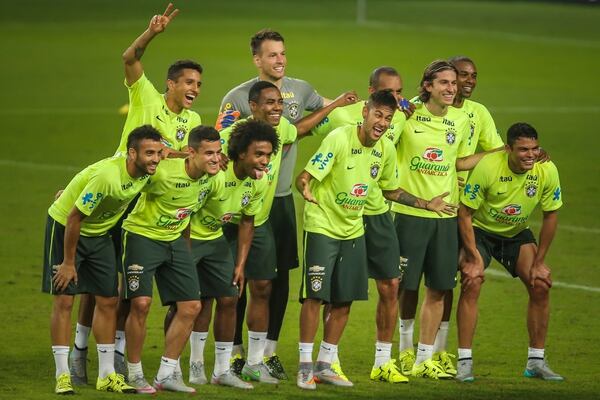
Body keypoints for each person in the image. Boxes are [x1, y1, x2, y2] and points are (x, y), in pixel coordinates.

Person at [69, 3, 205, 383]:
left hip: (147, 208)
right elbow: (129, 57)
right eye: (188, 82)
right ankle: (79, 349)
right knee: (100, 284)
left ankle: (114, 355)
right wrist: (151, 34)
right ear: (171, 84)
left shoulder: (193, 121)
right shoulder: (146, 96)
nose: (194, 89)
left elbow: (183, 160)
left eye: (198, 84)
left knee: (126, 290)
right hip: (117, 196)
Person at [294, 90, 457, 390]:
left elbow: (390, 189)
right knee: (315, 296)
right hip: (322, 226)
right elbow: (305, 175)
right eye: (378, 115)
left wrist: (425, 203)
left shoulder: (385, 149)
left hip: (353, 229)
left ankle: (325, 365)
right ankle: (305, 366)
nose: (382, 122)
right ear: (365, 112)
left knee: (344, 299)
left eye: (388, 118)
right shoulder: (340, 138)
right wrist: (304, 186)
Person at [219, 81, 356, 383]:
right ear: (253, 106)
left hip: (258, 217)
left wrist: (334, 105)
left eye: (280, 102)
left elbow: (301, 128)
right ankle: (223, 361)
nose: (277, 108)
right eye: (270, 102)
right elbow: (206, 157)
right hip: (225, 221)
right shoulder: (231, 135)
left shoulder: (281, 129)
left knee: (264, 286)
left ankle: (255, 361)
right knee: (224, 294)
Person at [215, 29, 330, 378]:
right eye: (272, 55)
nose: (280, 60)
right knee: (236, 278)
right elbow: (221, 145)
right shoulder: (236, 98)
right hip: (242, 202)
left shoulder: (301, 89)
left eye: (283, 53)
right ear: (257, 59)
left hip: (279, 202)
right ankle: (235, 353)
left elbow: (324, 115)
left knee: (275, 279)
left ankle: (268, 352)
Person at [43, 126, 163, 394]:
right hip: (66, 227)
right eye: (149, 153)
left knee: (108, 299)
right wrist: (69, 263)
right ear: (132, 153)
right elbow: (74, 218)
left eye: (158, 153)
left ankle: (107, 375)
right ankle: (63, 374)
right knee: (64, 299)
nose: (156, 159)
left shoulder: (147, 171)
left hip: (99, 233)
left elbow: (174, 158)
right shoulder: (108, 177)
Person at [311, 66, 411, 383]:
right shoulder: (344, 117)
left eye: (400, 92)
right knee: (338, 291)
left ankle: (382, 361)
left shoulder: (401, 115)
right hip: (343, 214)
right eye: (389, 92)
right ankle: (330, 360)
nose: (396, 98)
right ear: (371, 94)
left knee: (391, 284)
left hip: (378, 212)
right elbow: (306, 128)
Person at [456, 122, 563, 382]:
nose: (530, 155)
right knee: (472, 280)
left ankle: (536, 362)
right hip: (481, 230)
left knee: (541, 284)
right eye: (523, 149)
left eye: (534, 148)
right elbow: (465, 213)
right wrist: (472, 257)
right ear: (508, 149)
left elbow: (551, 215)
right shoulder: (488, 167)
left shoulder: (546, 169)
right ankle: (464, 363)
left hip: (516, 233)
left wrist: (539, 262)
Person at [120, 126, 220, 394]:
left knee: (191, 306)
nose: (215, 159)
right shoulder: (163, 173)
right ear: (191, 153)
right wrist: (72, 193)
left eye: (218, 153)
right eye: (209, 153)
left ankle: (166, 374)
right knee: (141, 304)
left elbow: (191, 212)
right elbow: (124, 180)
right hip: (142, 236)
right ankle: (134, 374)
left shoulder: (212, 179)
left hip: (175, 240)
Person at [181, 119, 278, 390]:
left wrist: (240, 265)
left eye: (268, 155)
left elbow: (247, 221)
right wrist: (184, 255)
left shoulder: (259, 181)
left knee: (228, 297)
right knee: (192, 303)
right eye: (259, 154)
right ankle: (190, 365)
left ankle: (222, 370)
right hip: (191, 238)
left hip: (215, 240)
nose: (265, 161)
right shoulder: (217, 176)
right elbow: (187, 212)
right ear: (241, 153)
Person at [391, 60, 473, 379]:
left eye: (453, 83)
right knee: (403, 287)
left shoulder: (461, 119)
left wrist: (501, 154)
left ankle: (425, 358)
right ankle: (404, 348)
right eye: (444, 83)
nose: (451, 88)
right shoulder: (407, 112)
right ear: (428, 86)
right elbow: (384, 143)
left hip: (445, 217)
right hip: (410, 215)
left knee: (439, 287)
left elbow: (459, 161)